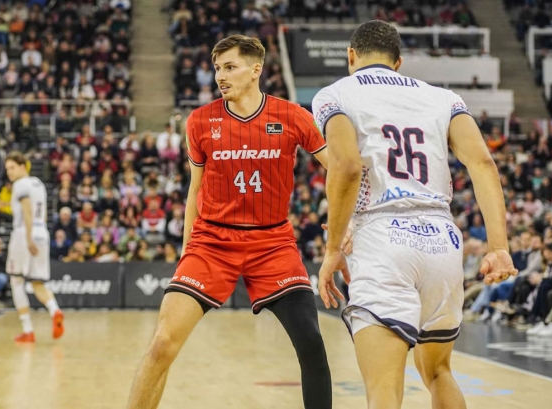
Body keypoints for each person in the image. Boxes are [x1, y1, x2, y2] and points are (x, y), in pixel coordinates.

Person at [313, 21, 517, 409]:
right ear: (399, 62)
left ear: (350, 56)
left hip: (382, 235)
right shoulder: (444, 98)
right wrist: (499, 247)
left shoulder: (334, 94)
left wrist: (333, 247)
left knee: (384, 390)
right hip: (441, 237)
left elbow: (346, 167)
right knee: (438, 373)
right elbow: (484, 164)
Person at [128, 35, 332, 409]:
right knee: (161, 345)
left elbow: (340, 169)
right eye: (218, 68)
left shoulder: (292, 116)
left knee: (311, 342)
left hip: (273, 244)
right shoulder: (200, 121)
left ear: (256, 70)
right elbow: (195, 190)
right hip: (211, 242)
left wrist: (341, 220)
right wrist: (189, 249)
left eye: (230, 67)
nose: (220, 76)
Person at [0, 153, 64, 342]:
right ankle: (55, 311)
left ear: (23, 166)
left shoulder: (20, 185)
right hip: (42, 232)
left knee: (16, 280)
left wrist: (27, 238)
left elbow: (26, 208)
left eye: (12, 168)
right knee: (37, 283)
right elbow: (8, 206)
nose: (9, 172)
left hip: (23, 234)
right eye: (8, 169)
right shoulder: (38, 184)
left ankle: (28, 330)